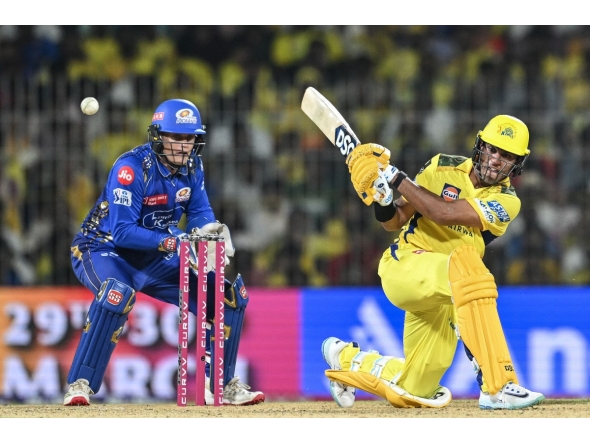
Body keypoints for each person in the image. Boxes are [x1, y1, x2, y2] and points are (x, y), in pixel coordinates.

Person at [321, 115, 545, 410]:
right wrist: (383, 200)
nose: (495, 161)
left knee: (417, 388)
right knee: (469, 266)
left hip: (445, 292)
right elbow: (396, 220)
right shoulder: (441, 165)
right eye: (492, 150)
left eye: (506, 156)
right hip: (407, 266)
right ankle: (498, 386)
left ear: (517, 164)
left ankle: (346, 360)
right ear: (480, 146)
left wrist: (395, 177)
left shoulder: (507, 201)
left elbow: (445, 214)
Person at [64, 98, 265, 406]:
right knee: (117, 294)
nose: (184, 146)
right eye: (176, 137)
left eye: (189, 138)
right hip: (102, 247)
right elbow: (123, 232)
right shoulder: (130, 169)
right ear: (158, 135)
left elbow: (199, 212)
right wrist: (176, 242)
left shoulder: (193, 167)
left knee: (228, 296)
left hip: (155, 254)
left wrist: (208, 232)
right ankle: (80, 384)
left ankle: (223, 385)